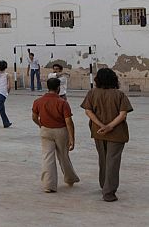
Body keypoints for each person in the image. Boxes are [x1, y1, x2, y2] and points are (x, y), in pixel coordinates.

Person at [80, 68, 133, 202]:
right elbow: (123, 114)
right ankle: (109, 192)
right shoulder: (119, 94)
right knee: (112, 161)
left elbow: (88, 111)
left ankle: (104, 184)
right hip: (116, 133)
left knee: (103, 160)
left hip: (98, 131)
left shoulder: (92, 93)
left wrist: (101, 125)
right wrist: (110, 126)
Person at [32, 77, 79, 193]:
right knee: (63, 156)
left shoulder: (38, 101)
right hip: (60, 131)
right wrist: (72, 137)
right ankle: (70, 178)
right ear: (58, 88)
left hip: (45, 130)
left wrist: (41, 125)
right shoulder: (62, 103)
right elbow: (68, 122)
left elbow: (34, 117)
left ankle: (49, 185)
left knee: (47, 157)